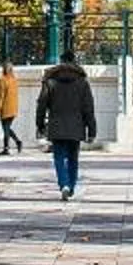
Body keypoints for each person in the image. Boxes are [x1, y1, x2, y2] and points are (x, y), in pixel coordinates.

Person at [36, 58, 97, 199]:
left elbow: (41, 105)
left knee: (58, 157)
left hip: (56, 126)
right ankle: (71, 185)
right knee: (73, 158)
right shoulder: (82, 83)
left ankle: (63, 184)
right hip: (76, 126)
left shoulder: (50, 81)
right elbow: (88, 108)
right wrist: (92, 130)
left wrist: (40, 125)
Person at [0, 63, 24, 155]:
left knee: (6, 129)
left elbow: (1, 95)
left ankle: (7, 148)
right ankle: (17, 143)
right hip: (13, 108)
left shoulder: (2, 80)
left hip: (5, 108)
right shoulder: (14, 80)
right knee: (7, 128)